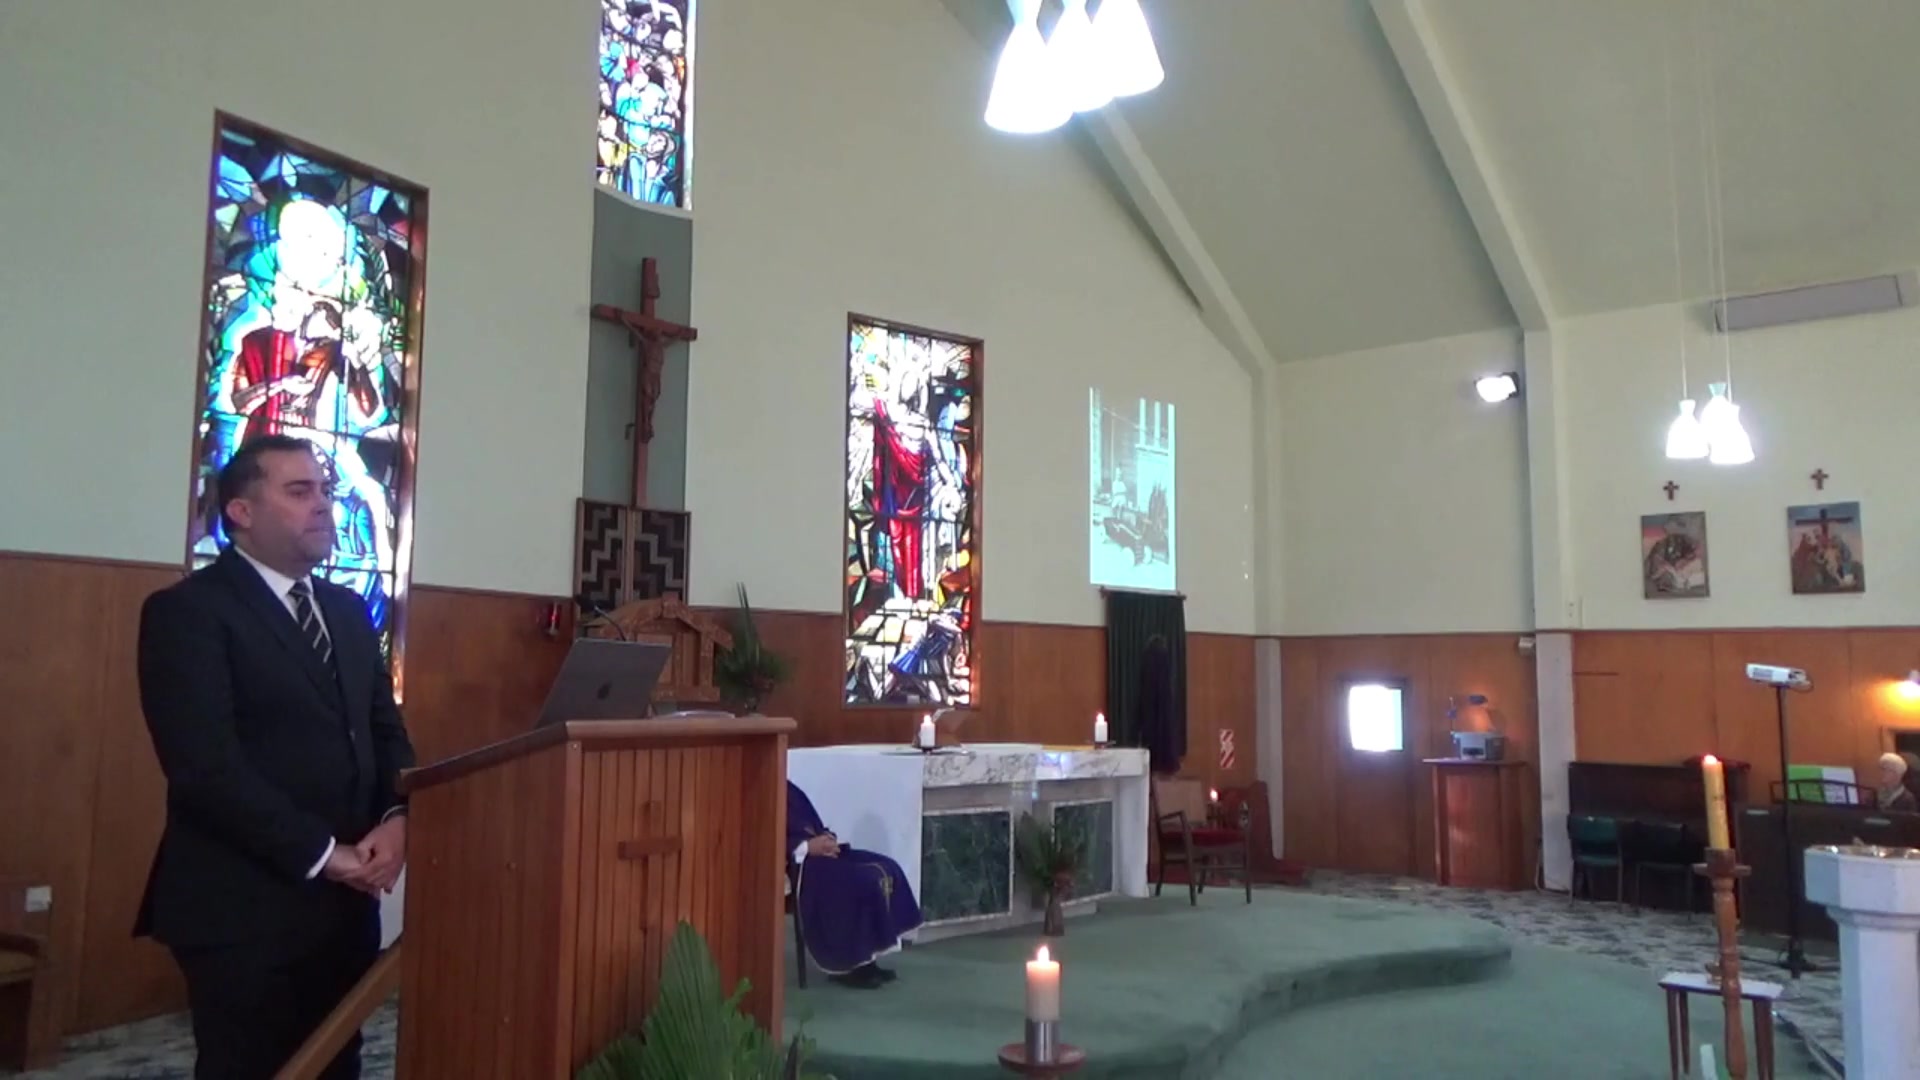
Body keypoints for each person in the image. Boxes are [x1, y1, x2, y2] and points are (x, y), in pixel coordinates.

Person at [135, 434, 416, 1079]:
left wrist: (397, 818)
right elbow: (205, 769)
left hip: (344, 907)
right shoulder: (189, 612)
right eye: (299, 491)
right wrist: (325, 854)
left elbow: (384, 731)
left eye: (324, 490)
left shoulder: (347, 610)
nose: (323, 504)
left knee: (335, 1063)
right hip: (242, 905)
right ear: (241, 511)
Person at [786, 782, 922, 989]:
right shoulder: (760, 793)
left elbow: (813, 825)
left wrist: (826, 838)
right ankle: (851, 965)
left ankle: (867, 960)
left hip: (819, 856)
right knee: (863, 880)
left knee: (887, 868)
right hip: (799, 865)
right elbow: (766, 839)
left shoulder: (788, 788)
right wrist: (806, 846)